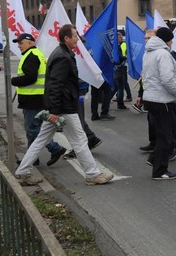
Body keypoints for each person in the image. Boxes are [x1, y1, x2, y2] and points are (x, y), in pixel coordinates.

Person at [15, 24, 113, 186]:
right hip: (63, 108)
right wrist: (54, 110)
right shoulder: (62, 56)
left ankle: (22, 172)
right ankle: (93, 174)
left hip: (58, 107)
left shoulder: (63, 53)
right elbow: (55, 85)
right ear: (66, 38)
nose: (77, 39)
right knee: (80, 140)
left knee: (41, 139)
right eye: (74, 36)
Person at [10, 33, 66, 167]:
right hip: (36, 97)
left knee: (33, 129)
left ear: (30, 43)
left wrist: (14, 81)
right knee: (33, 129)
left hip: (33, 98)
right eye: (18, 43)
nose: (18, 46)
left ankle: (55, 148)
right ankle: (31, 158)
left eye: (21, 43)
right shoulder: (35, 54)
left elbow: (31, 77)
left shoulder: (32, 56)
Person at [141, 27, 176, 180]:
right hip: (162, 99)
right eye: (171, 39)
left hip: (151, 98)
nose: (172, 42)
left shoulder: (148, 53)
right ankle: (160, 171)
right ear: (167, 39)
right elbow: (167, 78)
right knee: (166, 136)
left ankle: (153, 159)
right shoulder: (163, 53)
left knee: (161, 133)